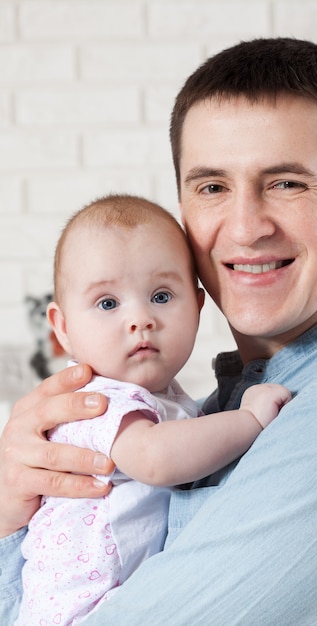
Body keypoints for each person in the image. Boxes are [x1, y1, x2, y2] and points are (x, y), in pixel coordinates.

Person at [1, 37, 317, 625]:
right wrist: (13, 513)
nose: (245, 229)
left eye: (287, 183)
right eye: (213, 187)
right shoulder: (206, 411)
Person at [14, 194, 290, 626]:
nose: (140, 318)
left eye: (161, 296)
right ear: (63, 327)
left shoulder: (164, 398)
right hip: (80, 610)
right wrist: (249, 420)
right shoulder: (96, 400)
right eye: (108, 303)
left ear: (198, 308)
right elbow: (157, 459)